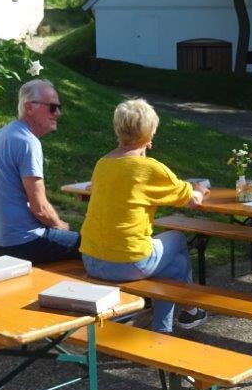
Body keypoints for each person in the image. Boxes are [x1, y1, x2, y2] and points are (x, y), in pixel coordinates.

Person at [79, 99, 208, 333]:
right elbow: (192, 200)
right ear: (150, 135)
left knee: (175, 266)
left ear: (118, 130)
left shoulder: (102, 164)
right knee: (178, 238)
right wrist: (199, 189)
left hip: (91, 258)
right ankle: (187, 312)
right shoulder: (149, 168)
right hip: (128, 261)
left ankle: (168, 328)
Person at [0, 78, 81, 264]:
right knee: (93, 247)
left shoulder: (3, 134)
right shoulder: (27, 141)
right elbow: (40, 208)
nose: (58, 113)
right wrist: (60, 225)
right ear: (29, 107)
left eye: (59, 107)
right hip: (24, 242)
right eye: (52, 107)